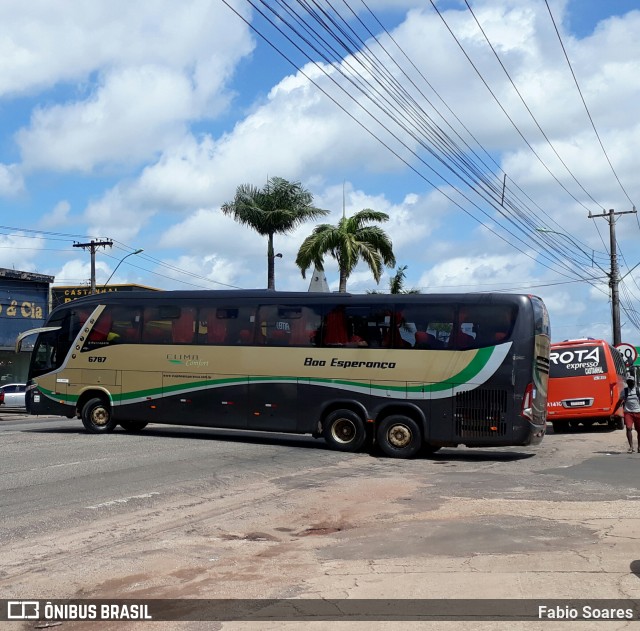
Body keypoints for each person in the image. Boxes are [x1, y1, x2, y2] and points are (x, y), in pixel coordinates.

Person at [622, 377, 640, 453]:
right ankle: (631, 447)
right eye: (629, 382)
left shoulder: (638, 390)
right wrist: (614, 411)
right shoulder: (624, 391)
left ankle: (639, 447)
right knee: (628, 428)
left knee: (639, 430)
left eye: (631, 381)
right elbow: (620, 401)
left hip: (638, 412)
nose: (630, 383)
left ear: (634, 382)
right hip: (628, 412)